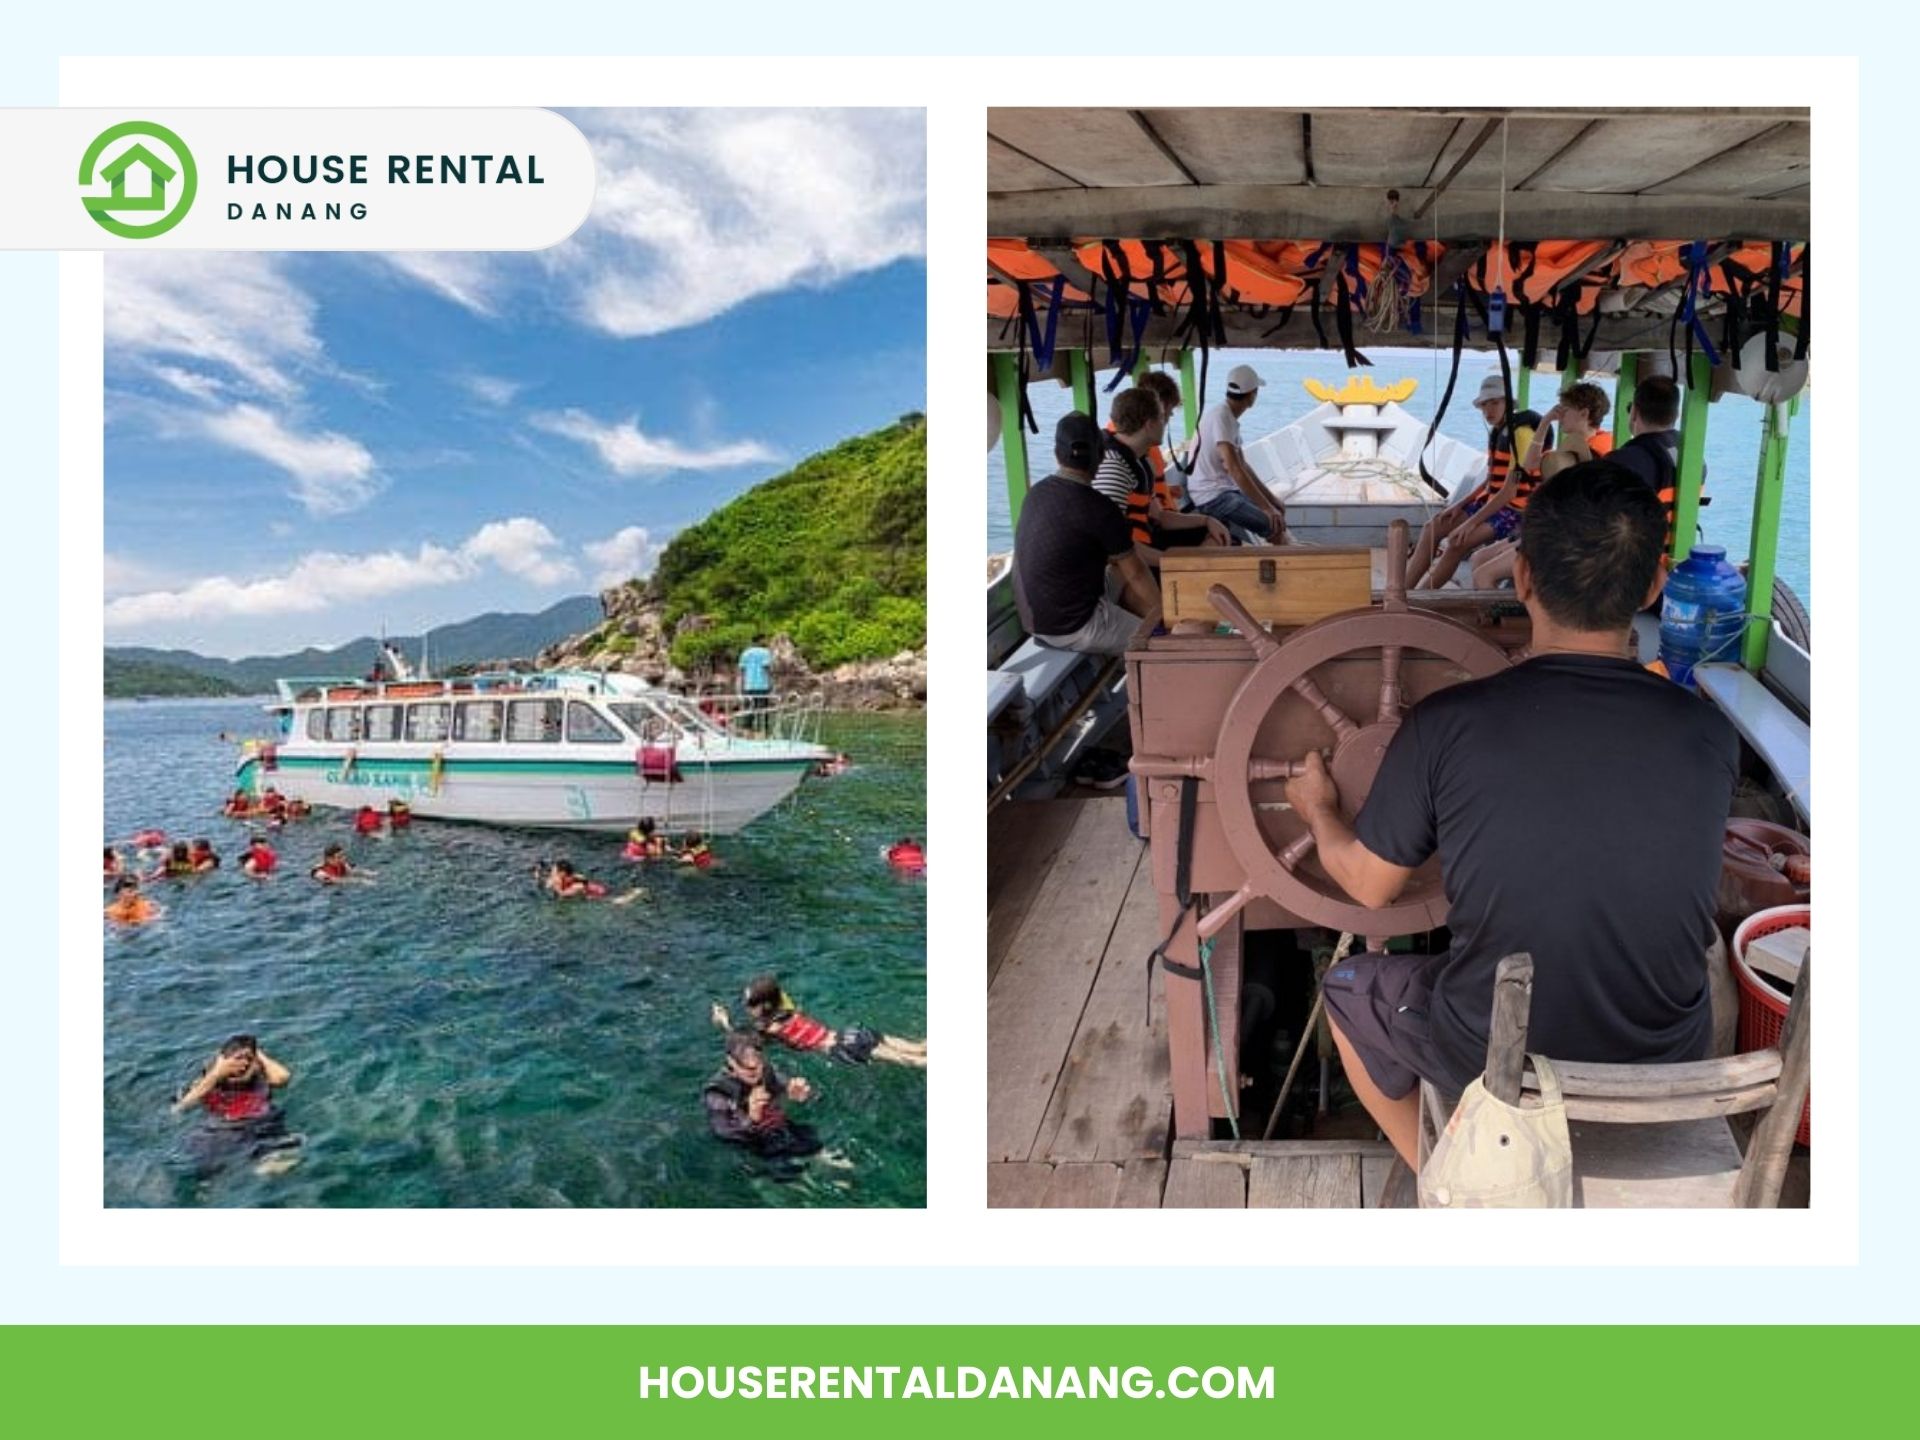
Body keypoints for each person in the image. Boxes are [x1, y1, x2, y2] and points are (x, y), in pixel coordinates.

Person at [1283, 461, 1738, 1167]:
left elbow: (1369, 887)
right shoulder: (1709, 733)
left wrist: (1318, 810)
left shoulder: (1447, 723)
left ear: (1522, 577)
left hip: (1496, 1058)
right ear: (1655, 583)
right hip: (1664, 1068)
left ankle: (1444, 1181)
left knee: (1351, 989)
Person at [1011, 412, 1161, 657]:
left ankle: (1136, 623)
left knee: (1119, 570)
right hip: (1075, 626)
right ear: (1100, 456)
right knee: (1161, 643)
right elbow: (1137, 572)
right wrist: (1167, 618)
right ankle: (1153, 639)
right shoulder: (1100, 508)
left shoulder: (1035, 494)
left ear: (1057, 455)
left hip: (1035, 619)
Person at [1415, 374, 1547, 589]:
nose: (1489, 411)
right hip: (1493, 502)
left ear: (1508, 403)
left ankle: (1421, 597)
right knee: (1433, 527)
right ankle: (1403, 593)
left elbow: (1509, 492)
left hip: (1515, 510)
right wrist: (1459, 506)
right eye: (1484, 405)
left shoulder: (1520, 434)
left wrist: (1470, 523)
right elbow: (1490, 479)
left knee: (1457, 543)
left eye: (1495, 403)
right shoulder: (1498, 432)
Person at [1093, 385, 1228, 565]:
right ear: (1150, 425)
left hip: (1147, 540)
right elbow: (1111, 545)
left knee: (1215, 534)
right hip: (1127, 563)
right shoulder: (1113, 466)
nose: (1166, 423)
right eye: (1163, 417)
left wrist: (1207, 520)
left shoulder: (1140, 460)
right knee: (1205, 561)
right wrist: (1172, 563)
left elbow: (1160, 517)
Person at [713, 975, 928, 1068]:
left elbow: (742, 1040)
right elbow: (775, 991)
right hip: (851, 1033)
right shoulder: (786, 1008)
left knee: (918, 1063)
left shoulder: (771, 1028)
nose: (745, 1006)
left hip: (842, 1046)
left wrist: (723, 1021)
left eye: (748, 1003)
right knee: (919, 1048)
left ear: (764, 1006)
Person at [1183, 364, 1288, 544]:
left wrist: (1271, 500)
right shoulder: (1221, 417)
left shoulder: (1228, 417)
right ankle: (1285, 564)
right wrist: (1267, 509)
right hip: (1211, 496)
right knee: (1273, 524)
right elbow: (1234, 469)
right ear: (1252, 395)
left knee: (1276, 513)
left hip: (1226, 490)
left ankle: (1285, 554)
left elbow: (1243, 467)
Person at [172, 1035, 300, 1176]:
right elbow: (181, 1107)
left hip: (261, 1126)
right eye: (237, 1059)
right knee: (207, 1168)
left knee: (282, 1165)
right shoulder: (208, 1082)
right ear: (223, 1061)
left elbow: (283, 1078)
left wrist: (259, 1055)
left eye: (248, 1059)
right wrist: (216, 1074)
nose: (243, 1065)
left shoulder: (258, 1077)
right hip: (220, 1131)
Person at [702, 1031, 821, 1158]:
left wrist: (802, 1095)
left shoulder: (766, 1070)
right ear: (731, 1062)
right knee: (786, 1169)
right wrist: (752, 1118)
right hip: (752, 1142)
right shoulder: (717, 1093)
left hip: (777, 1125)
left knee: (813, 1142)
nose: (757, 1072)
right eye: (749, 1070)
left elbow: (794, 1090)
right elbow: (723, 1133)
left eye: (760, 1064)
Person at [1609, 372, 1688, 553]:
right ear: (1676, 414)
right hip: (1674, 562)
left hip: (1633, 564)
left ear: (1635, 411)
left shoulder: (1623, 462)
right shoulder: (1693, 459)